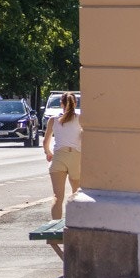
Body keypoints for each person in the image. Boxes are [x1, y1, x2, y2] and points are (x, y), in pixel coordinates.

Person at [42, 91, 82, 219]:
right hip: (76, 156)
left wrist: (48, 153)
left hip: (58, 157)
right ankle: (75, 224)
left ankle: (55, 229)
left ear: (61, 104)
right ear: (75, 103)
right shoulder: (80, 118)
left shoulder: (53, 120)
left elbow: (45, 142)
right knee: (77, 194)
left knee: (57, 197)